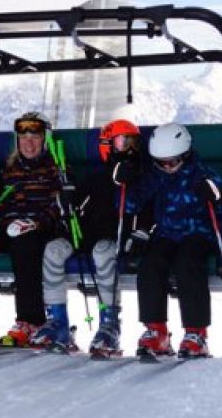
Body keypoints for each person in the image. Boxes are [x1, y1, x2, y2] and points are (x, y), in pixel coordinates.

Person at [31, 119, 147, 355]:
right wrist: (66, 201)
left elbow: (141, 208)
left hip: (112, 238)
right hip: (83, 235)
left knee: (102, 253)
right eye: (123, 143)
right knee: (53, 250)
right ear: (107, 146)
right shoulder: (97, 177)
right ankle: (57, 322)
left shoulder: (140, 176)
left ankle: (109, 323)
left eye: (134, 143)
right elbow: (74, 207)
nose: (130, 149)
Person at [132, 122, 222, 359]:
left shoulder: (202, 175)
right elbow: (131, 204)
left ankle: (196, 333)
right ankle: (156, 331)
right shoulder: (155, 177)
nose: (167, 168)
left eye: (172, 162)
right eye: (161, 163)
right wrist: (125, 182)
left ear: (185, 154)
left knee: (188, 263)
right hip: (166, 233)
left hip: (198, 233)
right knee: (151, 263)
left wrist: (218, 196)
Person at [0, 112, 62, 347]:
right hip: (11, 228)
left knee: (25, 246)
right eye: (24, 139)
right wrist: (8, 222)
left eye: (35, 138)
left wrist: (35, 223)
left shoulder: (55, 169)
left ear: (45, 140)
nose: (29, 144)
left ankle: (31, 320)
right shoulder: (8, 170)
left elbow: (59, 205)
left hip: (41, 230)